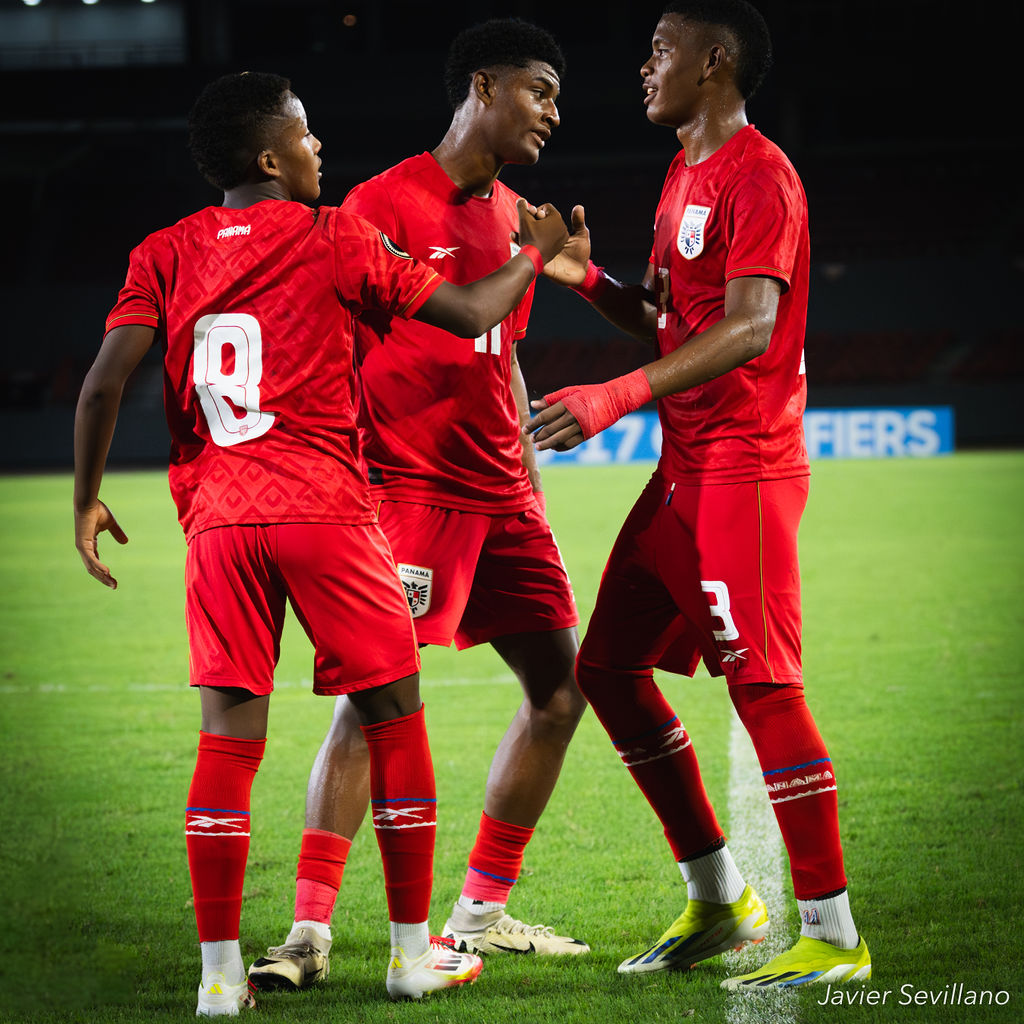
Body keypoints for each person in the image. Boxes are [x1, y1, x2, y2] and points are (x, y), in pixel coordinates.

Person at [73, 70, 568, 1014]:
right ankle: (412, 955)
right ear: (270, 156)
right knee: (393, 717)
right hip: (327, 513)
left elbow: (102, 386)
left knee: (227, 742)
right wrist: (534, 255)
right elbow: (468, 314)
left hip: (219, 523)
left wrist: (88, 501)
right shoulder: (335, 230)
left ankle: (221, 980)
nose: (318, 148)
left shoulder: (161, 253)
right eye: (304, 136)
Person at [524, 0, 871, 992]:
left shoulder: (761, 175)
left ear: (713, 62)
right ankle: (720, 897)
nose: (643, 66)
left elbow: (752, 328)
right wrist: (582, 279)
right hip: (682, 470)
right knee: (608, 667)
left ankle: (834, 931)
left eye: (661, 50)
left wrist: (615, 396)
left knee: (764, 685)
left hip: (742, 472)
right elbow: (675, 321)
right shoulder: (684, 170)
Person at [246, 19, 589, 995]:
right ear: (481, 86)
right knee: (372, 701)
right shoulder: (380, 202)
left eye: (557, 98)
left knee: (558, 692)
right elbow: (330, 335)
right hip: (410, 492)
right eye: (538, 91)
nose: (552, 115)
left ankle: (479, 914)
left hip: (506, 494)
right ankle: (308, 932)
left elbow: (502, 344)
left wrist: (523, 434)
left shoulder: (519, 215)